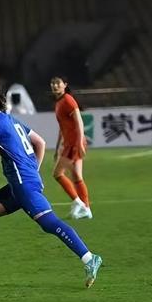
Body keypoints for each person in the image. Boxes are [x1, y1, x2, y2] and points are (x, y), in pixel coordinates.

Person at [0, 86, 102, 288]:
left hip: (23, 184)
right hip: (20, 183)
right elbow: (40, 142)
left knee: (49, 223)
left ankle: (89, 257)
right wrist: (34, 171)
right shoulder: (10, 119)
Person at [51, 76, 92, 219]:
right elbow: (62, 128)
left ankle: (78, 202)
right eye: (53, 84)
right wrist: (57, 148)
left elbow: (79, 120)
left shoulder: (68, 99)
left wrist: (80, 141)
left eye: (58, 83)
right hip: (69, 143)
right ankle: (86, 208)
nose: (55, 86)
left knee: (57, 173)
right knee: (76, 176)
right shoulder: (58, 103)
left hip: (74, 143)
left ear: (64, 85)